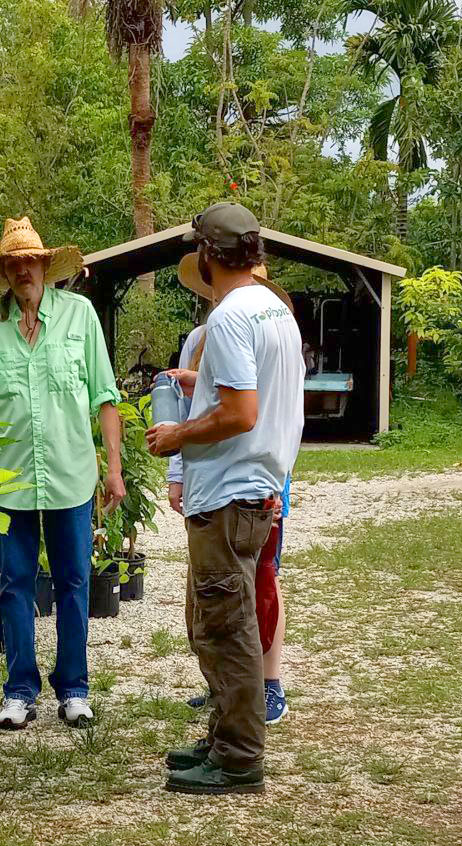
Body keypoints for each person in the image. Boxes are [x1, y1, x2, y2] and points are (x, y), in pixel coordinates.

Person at [146, 202, 303, 795]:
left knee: (225, 627)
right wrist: (199, 382)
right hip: (257, 490)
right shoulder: (275, 313)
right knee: (213, 620)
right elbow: (261, 397)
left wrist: (177, 434)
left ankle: (238, 757)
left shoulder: (232, 316)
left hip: (229, 496)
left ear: (208, 255)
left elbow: (241, 413)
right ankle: (223, 735)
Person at [0, 217, 124, 731]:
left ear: (46, 266)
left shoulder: (80, 317)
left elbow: (105, 396)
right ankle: (19, 691)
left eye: (30, 261)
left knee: (75, 581)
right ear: (5, 270)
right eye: (12, 263)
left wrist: (114, 468)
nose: (22, 270)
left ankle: (74, 687)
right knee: (14, 584)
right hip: (9, 483)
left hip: (71, 475)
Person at [168, 262, 291, 725]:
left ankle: (260, 698)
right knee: (216, 601)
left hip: (247, 483)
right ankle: (228, 702)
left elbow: (259, 410)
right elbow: (226, 398)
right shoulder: (207, 335)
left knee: (253, 590)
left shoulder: (249, 322)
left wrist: (177, 436)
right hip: (220, 484)